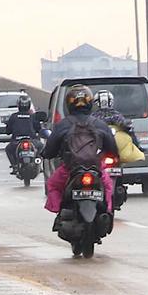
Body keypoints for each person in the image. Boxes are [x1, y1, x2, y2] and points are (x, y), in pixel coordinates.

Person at [42, 85, 118, 214]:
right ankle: (108, 211)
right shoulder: (99, 124)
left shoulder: (63, 124)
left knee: (52, 185)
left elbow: (50, 151)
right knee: (108, 186)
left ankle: (60, 211)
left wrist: (46, 154)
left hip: (69, 170)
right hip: (96, 169)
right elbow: (112, 149)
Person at [4, 96, 44, 169]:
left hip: (16, 141)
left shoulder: (14, 116)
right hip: (32, 140)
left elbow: (8, 131)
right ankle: (38, 164)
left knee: (8, 149)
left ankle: (14, 166)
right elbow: (38, 128)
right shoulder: (32, 116)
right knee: (41, 146)